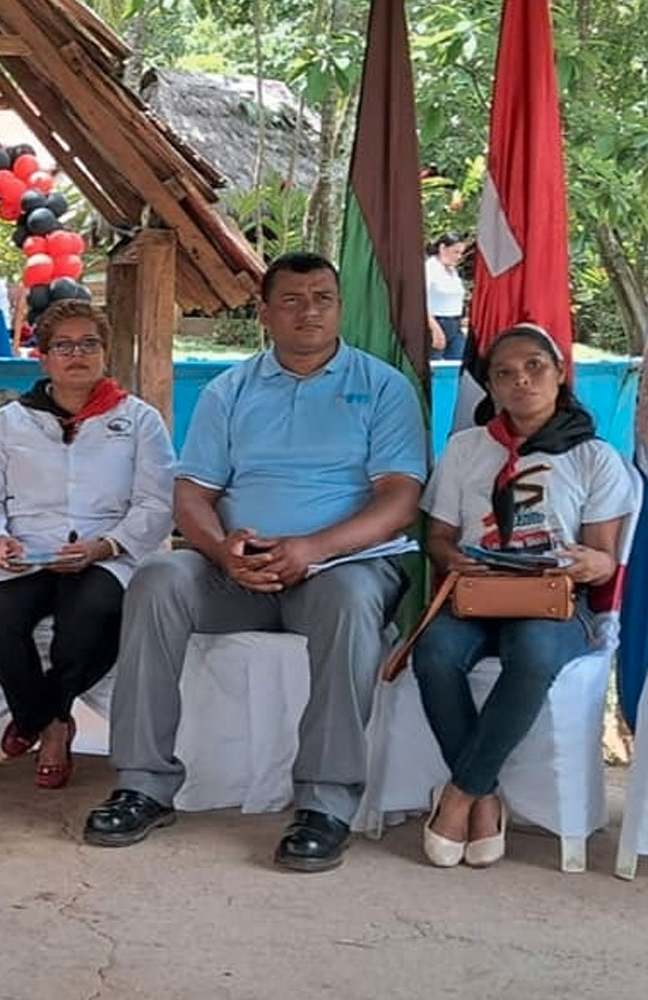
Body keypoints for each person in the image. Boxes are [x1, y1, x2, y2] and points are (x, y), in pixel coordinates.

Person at [82, 251, 428, 872]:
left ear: (340, 306)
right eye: (291, 301)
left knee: (352, 602)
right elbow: (191, 494)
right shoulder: (230, 390)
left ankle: (325, 804)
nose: (309, 312)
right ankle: (143, 785)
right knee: (159, 578)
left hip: (337, 567)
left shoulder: (382, 387)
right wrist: (220, 550)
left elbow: (401, 499)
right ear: (265, 313)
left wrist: (312, 549)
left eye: (323, 298)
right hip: (236, 569)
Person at [412, 324, 634, 868]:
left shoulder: (593, 457)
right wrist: (450, 557)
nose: (522, 381)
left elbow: (605, 559)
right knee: (433, 653)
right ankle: (486, 794)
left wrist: (589, 561)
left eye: (535, 366)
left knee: (533, 653)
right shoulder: (467, 448)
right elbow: (437, 537)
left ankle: (461, 795)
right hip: (477, 593)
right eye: (505, 373)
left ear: (560, 374)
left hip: (553, 602)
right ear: (489, 386)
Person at [0, 300, 174, 789]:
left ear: (106, 353)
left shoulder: (139, 420)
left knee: (91, 619)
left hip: (104, 555)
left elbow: (155, 503)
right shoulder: (11, 421)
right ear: (42, 356)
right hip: (26, 554)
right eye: (63, 345)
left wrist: (106, 546)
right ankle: (51, 719)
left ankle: (39, 721)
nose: (76, 354)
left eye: (89, 344)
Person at [426, 233, 467, 361]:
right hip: (436, 322)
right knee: (436, 366)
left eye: (461, 253)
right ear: (443, 248)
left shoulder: (452, 271)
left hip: (455, 324)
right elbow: (421, 302)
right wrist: (434, 328)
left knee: (459, 364)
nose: (459, 257)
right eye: (455, 252)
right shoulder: (429, 269)